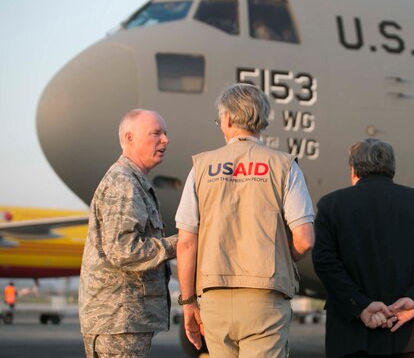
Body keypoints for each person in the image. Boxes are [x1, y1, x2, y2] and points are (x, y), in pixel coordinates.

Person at [175, 83, 315, 357]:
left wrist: (189, 302)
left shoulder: (201, 167)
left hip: (214, 300)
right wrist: (280, 257)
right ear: (262, 120)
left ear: (227, 119)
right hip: (265, 298)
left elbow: (186, 243)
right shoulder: (284, 166)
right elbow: (305, 239)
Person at [312, 139, 414, 358]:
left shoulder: (331, 206)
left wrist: (360, 305)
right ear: (392, 169)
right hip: (411, 339)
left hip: (351, 339)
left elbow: (325, 263)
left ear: (353, 170)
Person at [78, 109, 178, 358]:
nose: (165, 140)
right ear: (129, 138)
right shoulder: (123, 182)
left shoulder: (134, 181)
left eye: (165, 133)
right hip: (117, 322)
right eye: (156, 133)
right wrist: (179, 243)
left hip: (124, 320)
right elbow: (124, 251)